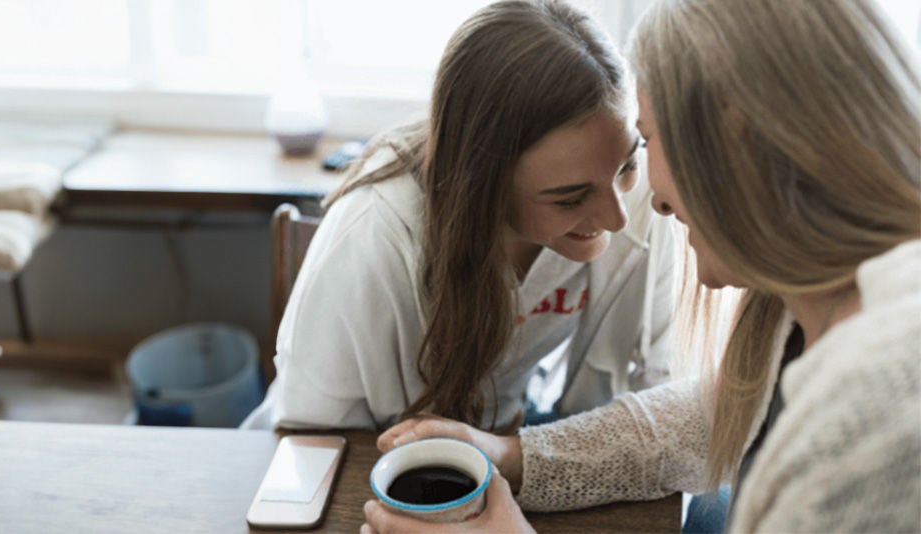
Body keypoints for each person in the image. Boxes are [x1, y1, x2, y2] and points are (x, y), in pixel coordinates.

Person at [363, 0, 921, 532]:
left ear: (742, 153)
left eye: (649, 145)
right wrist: (514, 456)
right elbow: (717, 416)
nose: (652, 201)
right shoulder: (807, 311)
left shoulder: (875, 413)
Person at [241, 0, 676, 432]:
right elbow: (313, 442)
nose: (617, 218)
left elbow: (668, 389)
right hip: (351, 454)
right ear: (482, 184)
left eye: (628, 165)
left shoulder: (641, 198)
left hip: (504, 436)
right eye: (570, 198)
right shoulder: (368, 240)